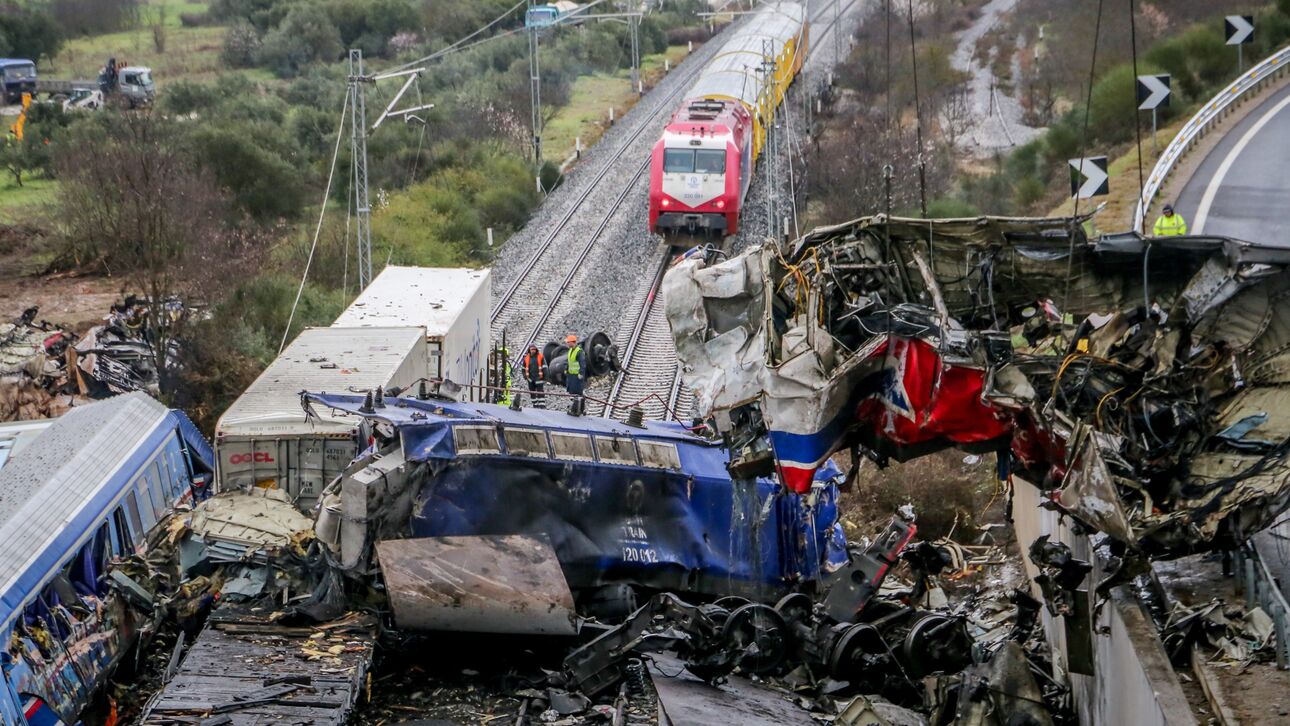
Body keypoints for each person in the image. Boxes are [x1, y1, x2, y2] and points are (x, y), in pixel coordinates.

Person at [565, 334, 586, 416]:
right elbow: (569, 362)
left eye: (568, 342)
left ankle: (576, 410)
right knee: (573, 392)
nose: (567, 344)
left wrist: (581, 373)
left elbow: (582, 363)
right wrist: (566, 370)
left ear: (572, 342)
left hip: (576, 376)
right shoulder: (570, 350)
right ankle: (580, 409)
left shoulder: (579, 352)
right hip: (571, 375)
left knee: (577, 393)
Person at [522, 344, 546, 408]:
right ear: (529, 350)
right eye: (532, 349)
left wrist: (545, 377)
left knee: (540, 392)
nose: (533, 351)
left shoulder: (540, 357)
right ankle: (535, 405)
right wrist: (525, 376)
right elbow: (523, 368)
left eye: (534, 349)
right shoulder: (526, 358)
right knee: (532, 392)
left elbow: (544, 367)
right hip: (530, 379)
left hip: (539, 378)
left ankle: (542, 405)